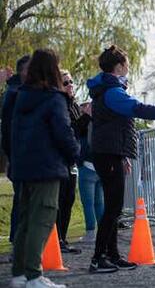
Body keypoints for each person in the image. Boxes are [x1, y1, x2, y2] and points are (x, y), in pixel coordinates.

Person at [86, 45, 155, 274]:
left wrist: (123, 154)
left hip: (111, 152)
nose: (128, 67)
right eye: (126, 64)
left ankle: (112, 255)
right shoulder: (113, 92)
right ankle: (99, 257)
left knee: (114, 208)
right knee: (113, 208)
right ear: (119, 66)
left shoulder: (111, 89)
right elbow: (140, 109)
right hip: (107, 152)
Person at [10, 49, 79, 288]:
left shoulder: (20, 96)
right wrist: (74, 154)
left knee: (26, 221)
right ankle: (33, 275)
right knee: (43, 219)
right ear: (52, 69)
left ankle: (19, 273)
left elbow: (10, 133)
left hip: (23, 166)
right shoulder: (53, 98)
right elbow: (63, 132)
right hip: (47, 167)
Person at [53, 70, 83, 254]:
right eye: (65, 83)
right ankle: (56, 241)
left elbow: (79, 132)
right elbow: (68, 130)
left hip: (72, 161)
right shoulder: (58, 104)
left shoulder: (74, 104)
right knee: (60, 199)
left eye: (71, 81)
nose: (70, 85)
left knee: (69, 199)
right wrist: (86, 118)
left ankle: (62, 239)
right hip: (59, 160)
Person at [1, 55, 30, 245]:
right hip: (21, 157)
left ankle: (21, 244)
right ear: (24, 71)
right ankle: (18, 244)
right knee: (22, 201)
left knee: (25, 202)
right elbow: (9, 130)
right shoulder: (15, 93)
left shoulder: (20, 91)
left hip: (23, 156)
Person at [74, 99, 103, 244]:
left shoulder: (84, 123)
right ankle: (104, 232)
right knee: (99, 202)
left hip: (87, 166)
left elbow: (75, 130)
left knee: (88, 203)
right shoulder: (103, 121)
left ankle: (91, 232)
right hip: (101, 166)